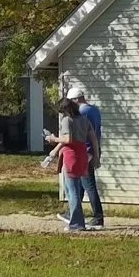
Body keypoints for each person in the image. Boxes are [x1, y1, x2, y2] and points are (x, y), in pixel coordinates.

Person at [45, 96, 99, 232]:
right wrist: (97, 157)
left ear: (65, 110)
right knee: (76, 188)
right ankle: (78, 220)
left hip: (71, 155)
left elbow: (67, 139)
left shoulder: (67, 120)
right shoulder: (84, 119)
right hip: (83, 154)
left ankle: (76, 223)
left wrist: (53, 139)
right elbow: (93, 138)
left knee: (72, 190)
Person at [68, 85, 104, 228]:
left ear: (76, 99)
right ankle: (72, 212)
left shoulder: (82, 112)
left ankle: (98, 217)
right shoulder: (94, 109)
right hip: (93, 149)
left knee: (89, 185)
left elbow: (81, 132)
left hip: (85, 151)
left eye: (71, 101)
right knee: (81, 185)